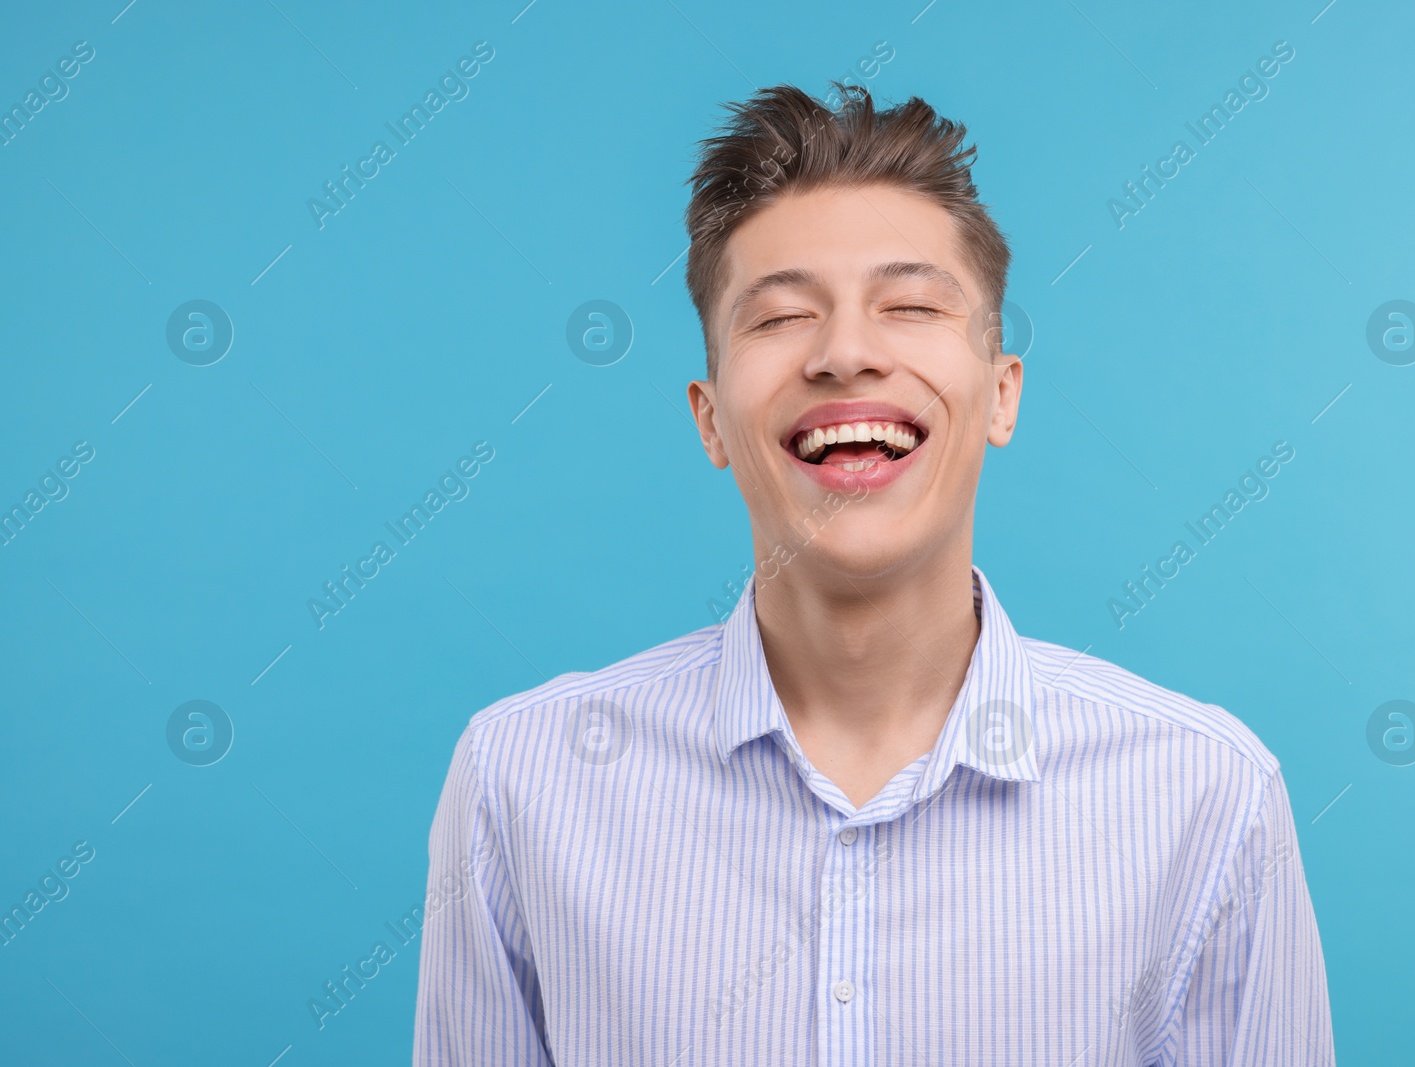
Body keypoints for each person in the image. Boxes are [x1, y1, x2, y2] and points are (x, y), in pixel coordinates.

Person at [415, 81, 1333, 1065]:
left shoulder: (1207, 794)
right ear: (710, 418)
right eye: (778, 317)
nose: (844, 353)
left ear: (1000, 393)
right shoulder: (519, 783)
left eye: (908, 305)